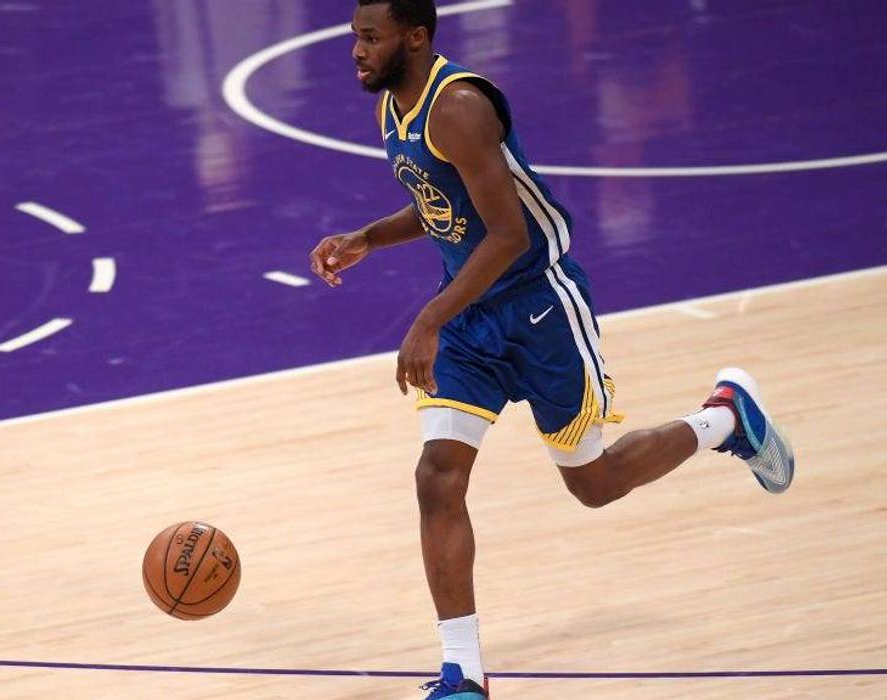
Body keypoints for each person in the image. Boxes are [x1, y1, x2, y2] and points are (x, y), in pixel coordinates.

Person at [308, 2, 796, 698]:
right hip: (473, 318)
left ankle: (723, 417)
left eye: (368, 36)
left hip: (540, 307)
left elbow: (506, 233)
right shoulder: (394, 105)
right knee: (435, 475)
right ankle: (461, 674)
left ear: (414, 38)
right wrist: (367, 238)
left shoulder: (459, 107)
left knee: (592, 484)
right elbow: (445, 202)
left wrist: (429, 318)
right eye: (355, 35)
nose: (355, 50)